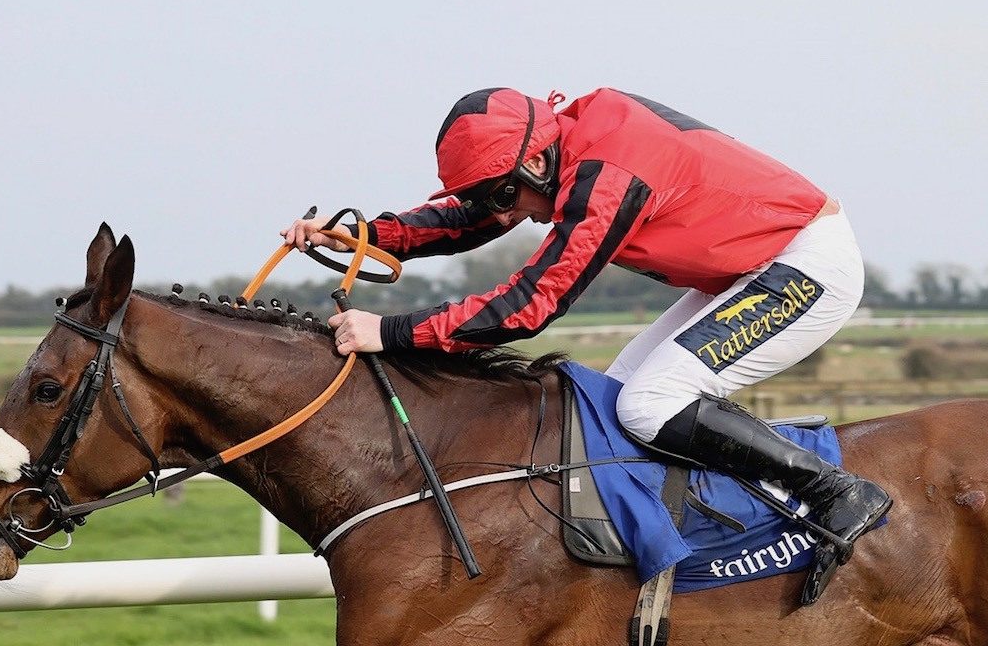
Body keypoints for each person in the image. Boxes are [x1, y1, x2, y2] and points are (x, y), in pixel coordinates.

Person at [283, 87, 890, 600]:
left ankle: (836, 493)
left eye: (504, 196)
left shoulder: (609, 175)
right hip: (747, 270)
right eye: (492, 197)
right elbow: (470, 217)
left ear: (536, 163)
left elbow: (530, 306)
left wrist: (391, 332)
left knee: (650, 405)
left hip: (805, 266)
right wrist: (361, 235)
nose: (505, 216)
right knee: (615, 403)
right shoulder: (562, 148)